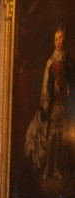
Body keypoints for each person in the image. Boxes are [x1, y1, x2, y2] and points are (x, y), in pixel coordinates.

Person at [24, 24, 74, 180]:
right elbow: (46, 85)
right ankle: (47, 169)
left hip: (64, 106)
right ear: (53, 42)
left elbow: (71, 82)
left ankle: (57, 168)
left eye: (60, 38)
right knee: (51, 138)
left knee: (61, 139)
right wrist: (45, 102)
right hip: (53, 106)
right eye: (56, 39)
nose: (58, 41)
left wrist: (69, 93)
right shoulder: (50, 63)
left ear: (64, 40)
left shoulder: (67, 61)